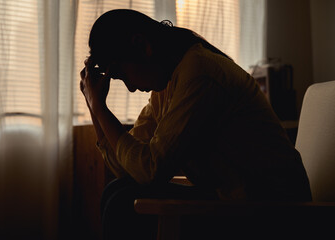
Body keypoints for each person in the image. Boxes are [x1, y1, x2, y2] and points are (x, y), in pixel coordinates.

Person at [80, 9, 312, 240]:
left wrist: (100, 108)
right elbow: (126, 168)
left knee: (122, 203)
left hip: (274, 213)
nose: (130, 87)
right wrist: (94, 105)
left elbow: (149, 171)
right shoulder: (167, 86)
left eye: (123, 75)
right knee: (118, 192)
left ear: (142, 45)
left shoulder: (199, 74)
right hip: (234, 202)